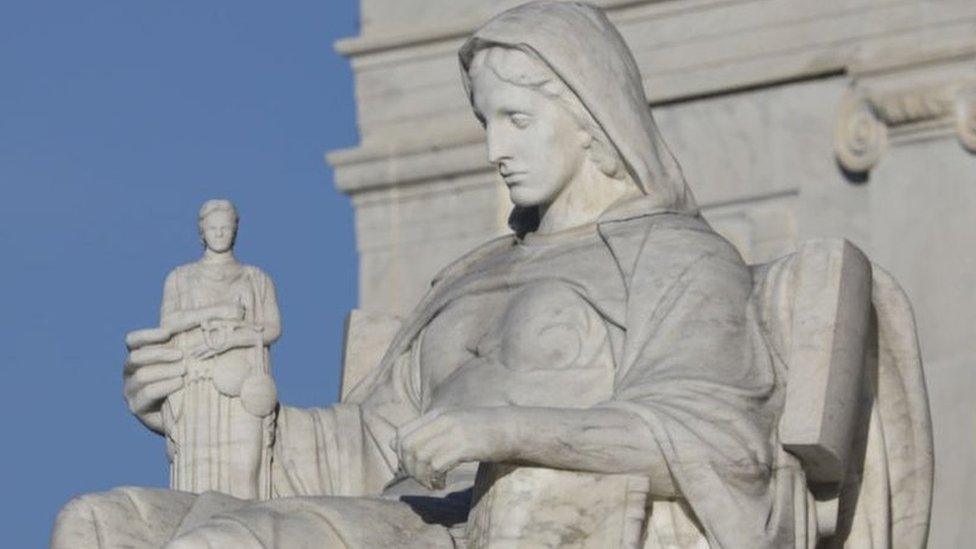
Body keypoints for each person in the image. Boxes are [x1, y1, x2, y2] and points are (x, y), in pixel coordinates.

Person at [52, 3, 812, 547]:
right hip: (399, 516)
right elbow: (376, 444)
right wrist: (221, 404)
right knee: (97, 524)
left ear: (592, 116)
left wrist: (502, 432)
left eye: (517, 119)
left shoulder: (677, 258)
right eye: (487, 123)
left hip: (516, 521)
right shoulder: (469, 275)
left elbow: (722, 440)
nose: (495, 150)